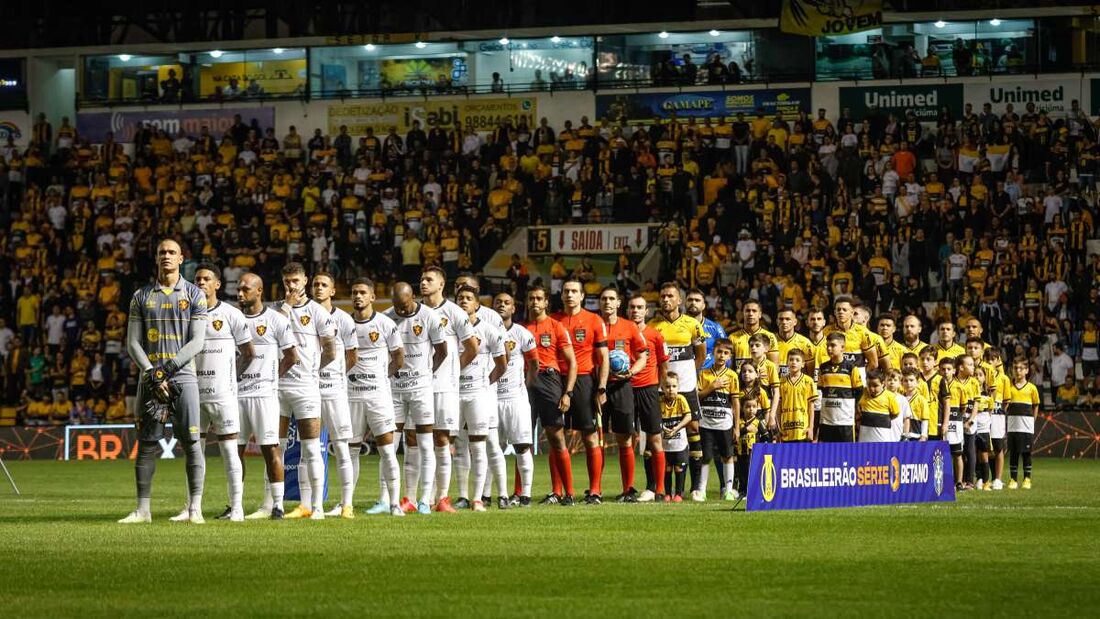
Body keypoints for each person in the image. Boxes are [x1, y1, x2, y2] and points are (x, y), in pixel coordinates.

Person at [118, 239, 209, 524]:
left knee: (192, 442)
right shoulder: (141, 296)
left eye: (172, 252)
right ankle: (143, 510)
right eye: (162, 253)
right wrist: (151, 373)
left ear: (182, 258)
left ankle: (195, 508)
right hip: (150, 378)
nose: (166, 256)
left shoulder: (195, 295)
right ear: (156, 259)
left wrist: (165, 370)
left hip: (182, 377)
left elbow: (197, 341)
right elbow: (132, 343)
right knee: (146, 444)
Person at [168, 264, 254, 523]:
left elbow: (249, 352)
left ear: (217, 284)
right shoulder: (185, 315)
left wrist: (231, 379)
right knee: (194, 452)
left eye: (207, 279)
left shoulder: (231, 314)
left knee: (230, 452)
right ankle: (193, 508)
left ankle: (237, 508)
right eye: (197, 279)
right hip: (193, 395)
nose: (201, 283)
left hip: (223, 396)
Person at [277, 262, 338, 520]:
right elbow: (272, 331)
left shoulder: (317, 312)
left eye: (296, 281)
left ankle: (317, 508)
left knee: (311, 449)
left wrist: (313, 370)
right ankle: (275, 505)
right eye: (288, 281)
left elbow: (331, 350)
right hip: (279, 388)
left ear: (305, 281)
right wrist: (286, 306)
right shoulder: (277, 311)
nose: (292, 286)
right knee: (276, 448)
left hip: (306, 388)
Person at [236, 273, 298, 520]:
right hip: (237, 395)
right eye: (239, 290)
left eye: (246, 289)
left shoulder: (275, 319)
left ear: (259, 290)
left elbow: (292, 356)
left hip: (264, 395)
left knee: (270, 450)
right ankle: (235, 505)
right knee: (234, 451)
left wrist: (274, 378)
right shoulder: (234, 318)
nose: (240, 294)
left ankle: (278, 505)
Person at [385, 282, 447, 514]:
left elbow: (442, 351)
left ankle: (423, 500)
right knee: (390, 444)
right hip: (395, 390)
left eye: (404, 306)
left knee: (425, 443)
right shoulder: (386, 317)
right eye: (396, 306)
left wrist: (428, 374)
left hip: (421, 390)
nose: (400, 311)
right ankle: (389, 500)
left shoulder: (430, 317)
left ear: (413, 298)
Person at [419, 266, 477, 512]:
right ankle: (421, 497)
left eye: (429, 279)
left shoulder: (454, 312)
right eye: (422, 279)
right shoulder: (415, 311)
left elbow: (472, 347)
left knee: (441, 439)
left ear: (441, 285)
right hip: (418, 387)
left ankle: (442, 498)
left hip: (444, 388)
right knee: (419, 440)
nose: (423, 283)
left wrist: (453, 370)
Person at [348, 279, 405, 517]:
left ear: (372, 297)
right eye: (354, 293)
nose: (358, 296)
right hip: (351, 396)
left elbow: (399, 357)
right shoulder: (344, 323)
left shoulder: (385, 323)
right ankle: (346, 503)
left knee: (387, 450)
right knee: (349, 450)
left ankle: (394, 504)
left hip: (378, 396)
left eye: (363, 293)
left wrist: (382, 377)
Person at [647, 283, 706, 500]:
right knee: (655, 431)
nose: (666, 299)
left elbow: (700, 354)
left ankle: (696, 488)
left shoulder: (692, 324)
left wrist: (690, 373)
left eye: (670, 296)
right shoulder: (652, 325)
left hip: (687, 386)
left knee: (693, 429)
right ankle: (653, 487)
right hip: (661, 387)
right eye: (662, 296)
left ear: (679, 300)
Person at [553, 278, 609, 504]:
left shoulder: (594, 320)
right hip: (556, 380)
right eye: (566, 291)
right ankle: (558, 492)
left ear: (582, 296)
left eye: (574, 291)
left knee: (589, 435)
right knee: (555, 433)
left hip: (584, 380)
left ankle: (595, 490)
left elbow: (603, 357)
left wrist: (601, 387)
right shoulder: (553, 320)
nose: (569, 295)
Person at [455, 285, 507, 512]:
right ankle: (462, 496)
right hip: (453, 393)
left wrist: (485, 382)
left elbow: (502, 364)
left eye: (468, 298)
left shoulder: (489, 330)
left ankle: (477, 499)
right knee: (457, 444)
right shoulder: (449, 329)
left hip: (478, 394)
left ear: (477, 305)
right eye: (460, 298)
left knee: (478, 445)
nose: (463, 302)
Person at [311, 273, 358, 518]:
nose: (319, 288)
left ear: (332, 290)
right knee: (309, 448)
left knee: (341, 447)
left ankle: (346, 504)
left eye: (324, 285)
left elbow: (352, 356)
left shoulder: (344, 320)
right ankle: (311, 505)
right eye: (316, 284)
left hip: (335, 391)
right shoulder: (305, 314)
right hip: (309, 390)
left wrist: (337, 376)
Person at [525, 285, 578, 505]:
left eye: (539, 298)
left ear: (546, 302)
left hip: (549, 380)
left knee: (557, 438)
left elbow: (572, 362)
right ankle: (521, 494)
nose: (535, 302)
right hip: (526, 382)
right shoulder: (521, 328)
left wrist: (567, 393)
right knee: (523, 440)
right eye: (531, 298)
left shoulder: (556, 326)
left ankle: (569, 493)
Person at [597, 287, 648, 501]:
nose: (607, 302)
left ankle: (628, 490)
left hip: (621, 387)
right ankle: (595, 491)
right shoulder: (593, 324)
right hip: (596, 387)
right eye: (604, 299)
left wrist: (631, 372)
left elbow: (643, 355)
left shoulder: (629, 327)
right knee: (595, 439)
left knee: (624, 439)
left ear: (619, 303)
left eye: (611, 299)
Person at [492, 292, 538, 507]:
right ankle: (487, 495)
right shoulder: (486, 330)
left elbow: (534, 364)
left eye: (507, 303)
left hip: (515, 398)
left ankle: (526, 495)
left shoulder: (521, 333)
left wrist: (525, 386)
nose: (502, 305)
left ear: (513, 308)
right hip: (492, 398)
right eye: (498, 302)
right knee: (492, 448)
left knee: (521, 446)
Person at [627, 294, 670, 502]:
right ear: (627, 310)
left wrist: (661, 389)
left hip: (648, 390)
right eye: (632, 307)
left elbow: (664, 365)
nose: (635, 310)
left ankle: (659, 489)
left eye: (640, 307)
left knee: (654, 439)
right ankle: (628, 489)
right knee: (627, 439)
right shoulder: (621, 333)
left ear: (647, 311)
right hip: (625, 389)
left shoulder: (656, 335)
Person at [696, 339, 739, 500]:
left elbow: (735, 402)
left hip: (725, 424)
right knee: (705, 457)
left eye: (726, 353)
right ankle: (701, 490)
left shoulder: (732, 376)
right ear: (713, 353)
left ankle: (728, 490)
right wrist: (712, 387)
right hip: (706, 423)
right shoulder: (704, 374)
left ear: (730, 356)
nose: (722, 356)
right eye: (719, 352)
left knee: (727, 455)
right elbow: (698, 396)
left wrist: (737, 427)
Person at [817, 332, 863, 443]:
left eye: (833, 345)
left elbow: (860, 392)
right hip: (826, 421)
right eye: (827, 345)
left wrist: (854, 410)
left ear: (842, 347)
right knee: (826, 454)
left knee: (847, 454)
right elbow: (821, 391)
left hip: (845, 421)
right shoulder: (823, 368)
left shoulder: (851, 368)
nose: (829, 348)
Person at [1003, 358, 1040, 490]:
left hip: (1026, 426)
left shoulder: (1032, 388)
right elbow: (1005, 404)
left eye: (1020, 368)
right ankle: (1013, 479)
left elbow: (1036, 405)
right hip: (1013, 426)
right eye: (1015, 368)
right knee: (1013, 453)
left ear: (1026, 370)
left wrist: (1033, 421)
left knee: (1026, 453)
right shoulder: (1009, 387)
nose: (1017, 371)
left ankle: (1027, 479)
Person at [659, 373, 692, 503]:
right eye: (667, 386)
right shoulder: (659, 401)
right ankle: (667, 493)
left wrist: (676, 428)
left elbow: (688, 417)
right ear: (662, 388)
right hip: (665, 443)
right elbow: (655, 418)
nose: (670, 389)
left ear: (678, 387)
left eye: (674, 386)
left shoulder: (681, 399)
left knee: (679, 467)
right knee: (666, 467)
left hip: (680, 442)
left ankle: (679, 493)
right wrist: (662, 427)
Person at [778, 348, 818, 444]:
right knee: (787, 458)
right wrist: (779, 427)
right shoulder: (781, 382)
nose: (794, 362)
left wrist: (811, 427)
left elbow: (811, 407)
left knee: (803, 458)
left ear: (803, 364)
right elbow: (778, 407)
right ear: (787, 362)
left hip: (802, 430)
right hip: (786, 429)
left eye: (797, 360)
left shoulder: (808, 381)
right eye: (791, 360)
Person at [684, 288, 726, 369]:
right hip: (684, 376)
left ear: (704, 305)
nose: (693, 302)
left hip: (709, 377)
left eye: (697, 300)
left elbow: (726, 353)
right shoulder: (677, 326)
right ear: (685, 303)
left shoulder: (715, 327)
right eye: (690, 300)